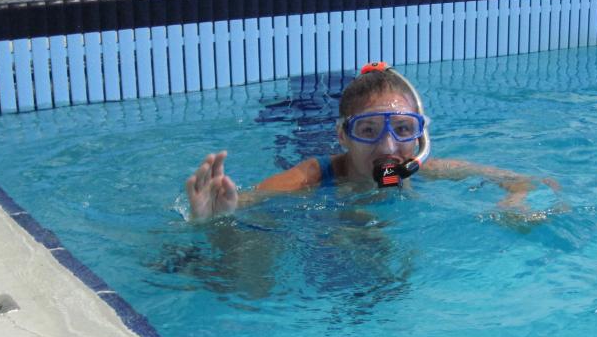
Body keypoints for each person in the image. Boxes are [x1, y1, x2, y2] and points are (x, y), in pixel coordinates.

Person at [186, 62, 558, 222]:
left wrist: (516, 202)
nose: (389, 147)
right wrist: (217, 216)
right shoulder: (313, 177)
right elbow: (251, 200)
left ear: (420, 134)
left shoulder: (422, 170)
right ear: (342, 135)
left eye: (403, 129)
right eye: (368, 131)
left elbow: (527, 181)